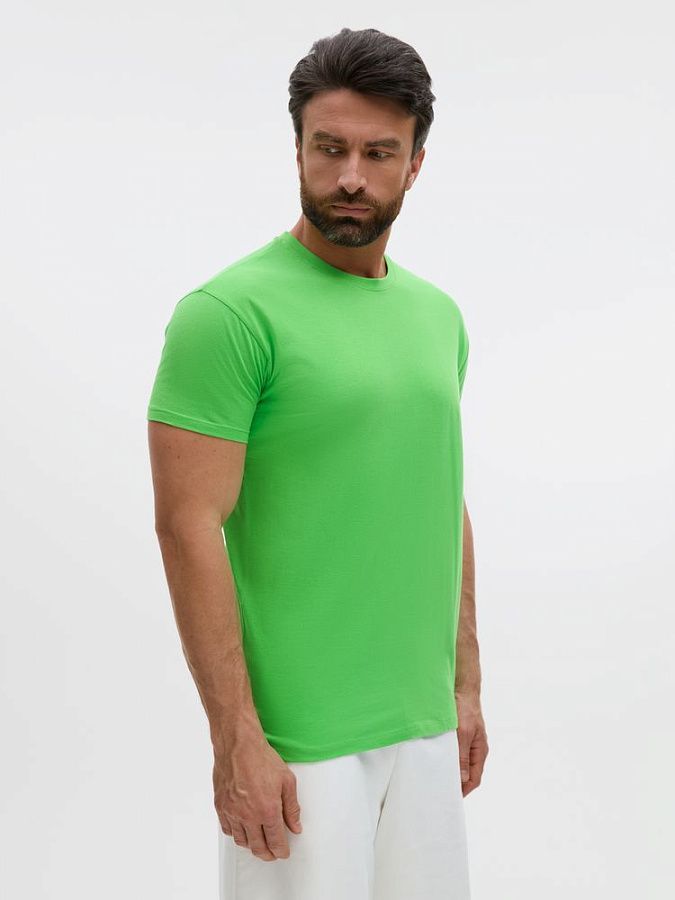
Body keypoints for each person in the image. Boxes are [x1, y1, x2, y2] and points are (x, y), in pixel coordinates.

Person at [146, 26, 488, 900]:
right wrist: (236, 737)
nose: (350, 177)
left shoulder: (437, 317)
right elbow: (188, 525)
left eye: (379, 153)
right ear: (297, 147)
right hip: (299, 740)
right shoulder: (228, 314)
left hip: (421, 724)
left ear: (415, 163)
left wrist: (465, 687)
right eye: (329, 148)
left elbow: (438, 496)